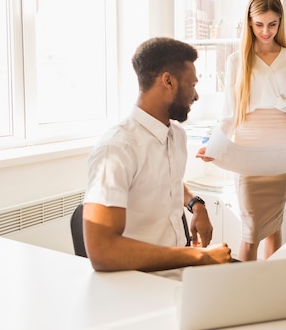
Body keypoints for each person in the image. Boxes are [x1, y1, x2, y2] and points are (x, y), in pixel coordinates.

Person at [197, 0, 286, 261]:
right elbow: (228, 116)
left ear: (280, 22)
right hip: (247, 153)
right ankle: (245, 293)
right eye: (259, 24)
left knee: (274, 227)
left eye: (272, 24)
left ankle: (271, 288)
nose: (265, 31)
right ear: (249, 22)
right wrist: (213, 146)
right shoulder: (237, 60)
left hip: (282, 155)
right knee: (250, 232)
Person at [83, 37, 232, 273]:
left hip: (177, 272)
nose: (196, 96)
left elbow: (166, 182)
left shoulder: (177, 136)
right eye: (192, 85)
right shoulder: (117, 149)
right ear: (168, 81)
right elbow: (102, 251)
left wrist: (197, 205)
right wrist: (198, 256)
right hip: (138, 282)